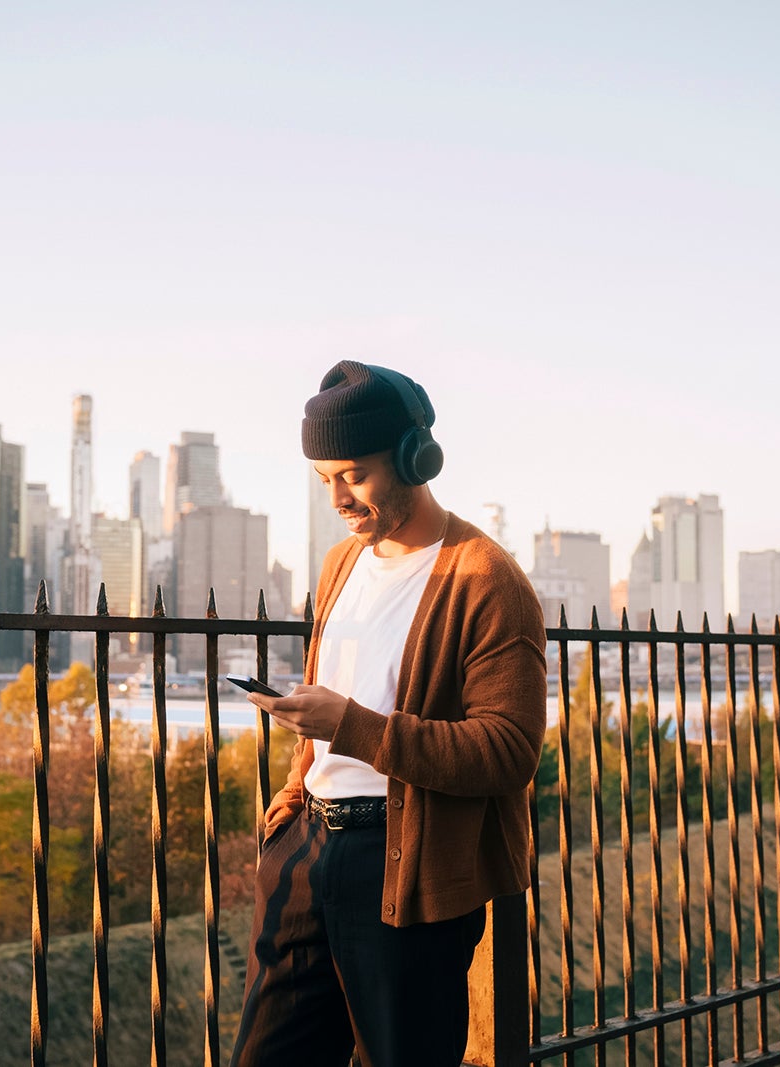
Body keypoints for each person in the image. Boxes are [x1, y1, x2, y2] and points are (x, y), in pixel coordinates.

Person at [230, 361, 547, 1067]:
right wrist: (289, 805)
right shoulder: (341, 563)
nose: (337, 497)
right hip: (307, 850)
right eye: (324, 482)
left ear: (414, 457)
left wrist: (353, 726)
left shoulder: (488, 579)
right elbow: (335, 697)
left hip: (406, 866)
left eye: (353, 474)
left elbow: (508, 749)